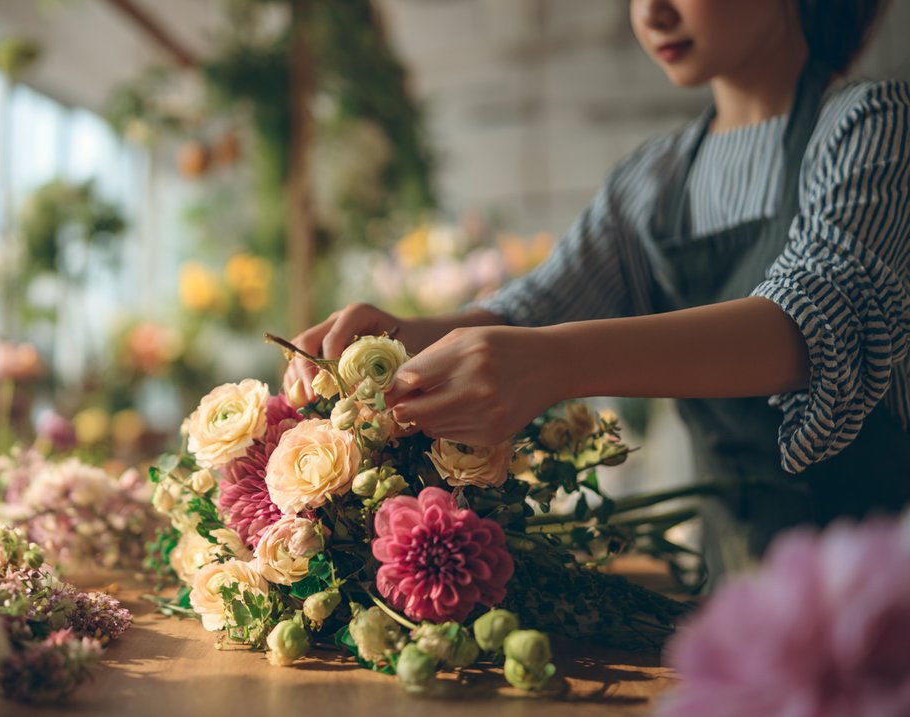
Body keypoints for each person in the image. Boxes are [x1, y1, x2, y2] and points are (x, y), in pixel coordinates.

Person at [285, 0, 910, 581]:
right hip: (737, 595)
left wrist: (556, 363)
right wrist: (399, 336)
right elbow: (533, 310)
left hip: (879, 592)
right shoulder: (651, 181)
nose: (652, 13)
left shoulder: (872, 124)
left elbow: (810, 326)